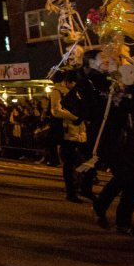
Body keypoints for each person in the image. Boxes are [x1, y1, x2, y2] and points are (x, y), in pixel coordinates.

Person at [92, 82, 134, 238]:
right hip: (111, 141)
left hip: (130, 140)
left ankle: (124, 222)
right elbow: (115, 111)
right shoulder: (106, 90)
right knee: (123, 176)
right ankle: (100, 206)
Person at [52, 70, 95, 203]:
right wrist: (74, 117)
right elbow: (56, 111)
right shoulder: (57, 92)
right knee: (69, 165)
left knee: (90, 160)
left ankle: (84, 187)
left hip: (80, 133)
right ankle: (71, 191)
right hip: (67, 133)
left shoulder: (77, 93)